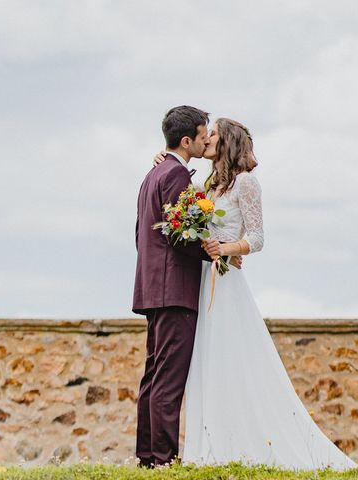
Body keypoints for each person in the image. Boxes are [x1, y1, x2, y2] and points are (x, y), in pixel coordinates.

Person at [152, 117, 358, 470]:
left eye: (212, 134)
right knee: (205, 362)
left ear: (227, 141)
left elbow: (258, 238)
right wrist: (162, 159)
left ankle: (240, 443)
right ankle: (209, 444)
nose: (207, 139)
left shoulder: (246, 183)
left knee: (232, 361)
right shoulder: (208, 183)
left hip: (225, 281)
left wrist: (225, 248)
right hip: (201, 281)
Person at [132, 106, 241, 468]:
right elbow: (182, 236)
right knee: (169, 379)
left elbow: (141, 235)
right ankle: (162, 459)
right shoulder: (177, 176)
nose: (206, 139)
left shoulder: (152, 174)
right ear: (186, 140)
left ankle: (148, 456)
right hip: (174, 290)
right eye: (202, 133)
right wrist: (212, 251)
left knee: (154, 375)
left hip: (152, 288)